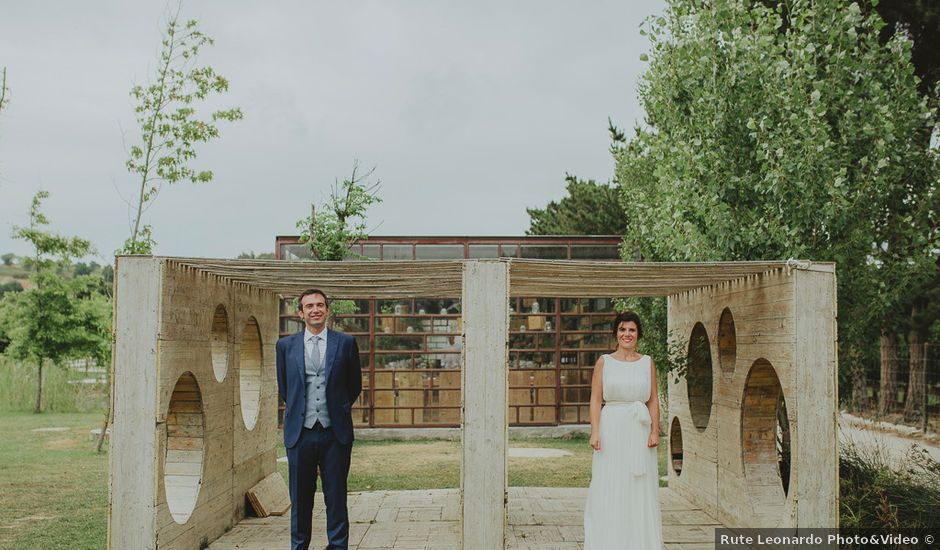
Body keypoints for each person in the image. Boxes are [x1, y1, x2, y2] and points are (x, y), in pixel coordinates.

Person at [276, 289, 362, 550]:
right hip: (300, 433)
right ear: (300, 313)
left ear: (327, 310)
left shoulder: (345, 343)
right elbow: (285, 388)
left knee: (336, 497)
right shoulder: (285, 346)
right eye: (309, 306)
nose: (315, 309)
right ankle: (299, 546)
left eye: (320, 305)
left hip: (335, 433)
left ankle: (338, 547)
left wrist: (337, 409)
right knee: (300, 499)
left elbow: (354, 385)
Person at [583, 311, 663, 549]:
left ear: (638, 334)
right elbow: (596, 399)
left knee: (638, 485)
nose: (627, 334)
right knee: (610, 483)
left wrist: (654, 431)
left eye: (632, 330)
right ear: (615, 333)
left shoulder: (647, 362)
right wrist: (595, 431)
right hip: (612, 428)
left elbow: (654, 399)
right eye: (622, 329)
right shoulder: (604, 362)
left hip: (639, 430)